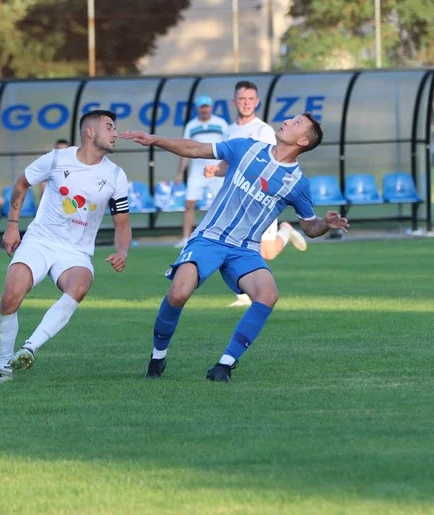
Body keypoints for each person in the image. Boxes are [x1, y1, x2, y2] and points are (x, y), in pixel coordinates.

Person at [122, 112, 349, 383]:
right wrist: (155, 140)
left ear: (302, 141)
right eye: (291, 118)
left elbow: (310, 228)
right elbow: (196, 149)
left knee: (268, 295)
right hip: (209, 238)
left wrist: (326, 223)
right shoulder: (246, 146)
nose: (288, 121)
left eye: (296, 123)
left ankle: (224, 366)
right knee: (178, 294)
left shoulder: (297, 183)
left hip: (245, 250)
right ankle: (158, 358)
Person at [0, 110, 131, 384]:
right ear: (90, 132)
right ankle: (4, 367)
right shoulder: (56, 158)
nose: (115, 133)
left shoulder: (116, 175)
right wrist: (12, 224)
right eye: (110, 127)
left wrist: (122, 251)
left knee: (79, 285)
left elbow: (122, 223)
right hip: (40, 240)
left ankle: (30, 348)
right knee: (10, 297)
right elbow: (22, 182)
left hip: (76, 252)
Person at [202, 81, 307, 307]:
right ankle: (244, 293)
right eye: (242, 99)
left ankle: (286, 231)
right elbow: (229, 163)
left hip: (260, 201)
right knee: (230, 242)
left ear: (257, 102)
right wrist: (215, 169)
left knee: (266, 252)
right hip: (236, 201)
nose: (246, 103)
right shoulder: (229, 130)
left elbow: (272, 164)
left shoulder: (264, 131)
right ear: (234, 102)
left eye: (250, 99)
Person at [175, 95, 228, 247]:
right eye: (201, 107)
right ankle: (186, 238)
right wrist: (180, 173)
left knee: (222, 204)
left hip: (217, 169)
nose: (204, 109)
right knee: (189, 204)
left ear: (211, 107)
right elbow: (185, 150)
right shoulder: (191, 126)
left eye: (207, 106)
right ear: (197, 108)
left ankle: (221, 236)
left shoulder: (221, 123)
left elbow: (228, 147)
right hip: (197, 171)